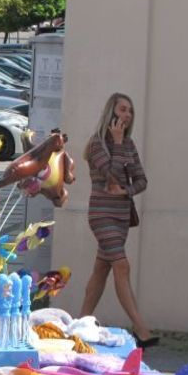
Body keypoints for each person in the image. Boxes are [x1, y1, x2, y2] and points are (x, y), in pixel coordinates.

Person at [78, 92, 156, 347]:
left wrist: (127, 190)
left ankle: (80, 324)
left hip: (121, 215)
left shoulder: (128, 144)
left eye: (130, 111)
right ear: (111, 111)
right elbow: (111, 174)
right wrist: (118, 143)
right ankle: (141, 330)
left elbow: (141, 179)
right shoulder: (96, 144)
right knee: (122, 266)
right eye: (123, 109)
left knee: (101, 269)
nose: (127, 115)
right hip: (102, 215)